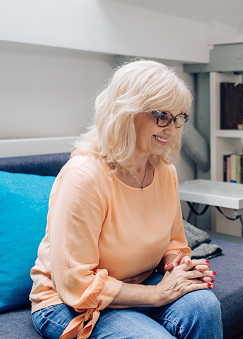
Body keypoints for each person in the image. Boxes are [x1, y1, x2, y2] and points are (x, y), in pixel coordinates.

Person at [29, 60, 223, 339]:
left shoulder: (164, 171)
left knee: (204, 306)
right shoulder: (84, 176)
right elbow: (76, 284)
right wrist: (158, 294)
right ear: (125, 112)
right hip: (68, 303)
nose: (171, 127)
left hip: (136, 283)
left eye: (179, 117)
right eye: (161, 115)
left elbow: (175, 241)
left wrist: (180, 267)